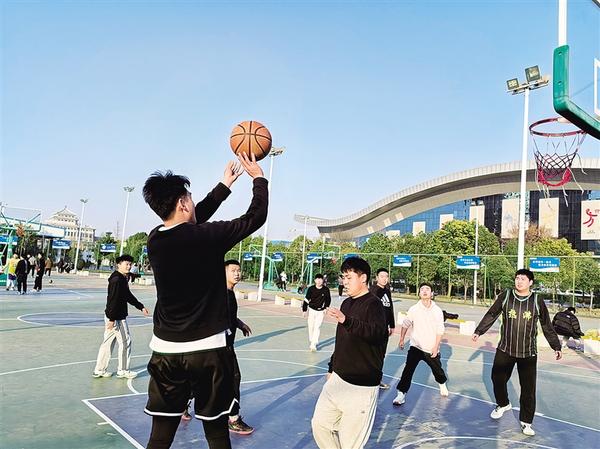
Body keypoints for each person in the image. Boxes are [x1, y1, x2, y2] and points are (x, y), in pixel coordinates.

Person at [143, 154, 267, 449]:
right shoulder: (207, 236)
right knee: (216, 433)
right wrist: (259, 179)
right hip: (208, 350)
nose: (193, 203)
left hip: (166, 349)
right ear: (183, 203)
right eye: (189, 198)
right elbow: (255, 218)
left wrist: (224, 186)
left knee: (160, 436)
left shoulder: (155, 239)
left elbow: (193, 218)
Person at [472, 268, 562, 437]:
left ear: (530, 282)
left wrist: (556, 346)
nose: (519, 281)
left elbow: (546, 325)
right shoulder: (506, 296)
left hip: (528, 352)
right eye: (517, 278)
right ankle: (503, 404)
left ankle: (526, 422)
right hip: (505, 348)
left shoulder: (537, 300)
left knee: (528, 389)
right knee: (497, 378)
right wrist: (479, 331)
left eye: (523, 279)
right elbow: (492, 314)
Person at [311, 257, 387, 449]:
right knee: (320, 425)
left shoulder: (374, 304)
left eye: (349, 277)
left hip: (361, 386)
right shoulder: (346, 304)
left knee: (350, 444)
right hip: (337, 380)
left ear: (363, 278)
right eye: (343, 277)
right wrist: (331, 367)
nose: (344, 282)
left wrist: (347, 320)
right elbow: (342, 341)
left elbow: (377, 334)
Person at [92, 254, 150, 379]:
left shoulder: (122, 278)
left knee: (107, 343)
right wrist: (112, 319)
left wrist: (140, 306)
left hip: (112, 315)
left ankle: (99, 370)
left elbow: (127, 295)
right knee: (125, 342)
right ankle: (123, 370)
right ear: (119, 264)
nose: (129, 266)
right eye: (126, 264)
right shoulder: (117, 280)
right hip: (116, 317)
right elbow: (113, 300)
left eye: (130, 264)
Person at [393, 282, 449, 406]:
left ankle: (442, 383)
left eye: (427, 289)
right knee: (408, 370)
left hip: (430, 347)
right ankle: (401, 394)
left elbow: (440, 330)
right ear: (419, 293)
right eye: (422, 289)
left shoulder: (437, 311)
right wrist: (401, 339)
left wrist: (436, 347)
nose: (424, 291)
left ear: (432, 294)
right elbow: (406, 324)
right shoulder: (414, 309)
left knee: (438, 371)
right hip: (416, 346)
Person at [224, 259, 254, 434]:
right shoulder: (221, 294)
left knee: (206, 379)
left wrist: (239, 323)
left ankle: (183, 404)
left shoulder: (229, 293)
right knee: (234, 378)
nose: (237, 273)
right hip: (222, 347)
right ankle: (233, 419)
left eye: (238, 270)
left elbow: (228, 315)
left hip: (224, 346)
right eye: (233, 270)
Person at [370, 268, 395, 390]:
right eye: (382, 276)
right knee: (372, 354)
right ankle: (369, 379)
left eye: (386, 276)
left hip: (384, 329)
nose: (385, 279)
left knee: (381, 355)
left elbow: (390, 308)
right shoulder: (373, 291)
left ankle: (377, 379)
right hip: (375, 328)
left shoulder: (387, 290)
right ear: (377, 278)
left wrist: (392, 325)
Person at [302, 273, 332, 352]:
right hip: (312, 310)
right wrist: (304, 310)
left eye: (320, 279)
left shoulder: (326, 289)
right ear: (315, 280)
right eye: (317, 279)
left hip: (321, 311)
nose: (319, 281)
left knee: (317, 327)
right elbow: (306, 299)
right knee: (311, 326)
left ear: (323, 280)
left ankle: (314, 344)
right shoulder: (311, 289)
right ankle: (312, 340)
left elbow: (328, 299)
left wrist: (326, 308)